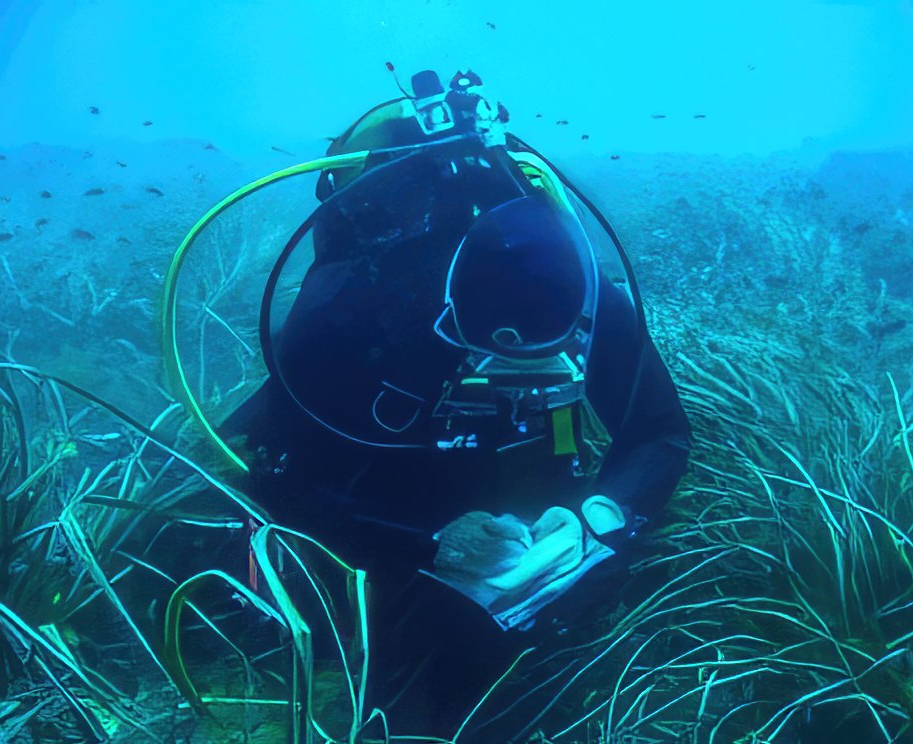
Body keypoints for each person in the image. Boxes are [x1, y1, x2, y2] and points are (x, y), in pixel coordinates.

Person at [223, 68, 691, 735]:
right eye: (498, 350)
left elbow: (659, 433)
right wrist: (430, 542)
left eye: (552, 348)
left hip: (506, 524)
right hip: (371, 497)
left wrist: (598, 515)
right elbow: (281, 484)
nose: (534, 368)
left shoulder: (580, 288)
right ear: (444, 316)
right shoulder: (345, 312)